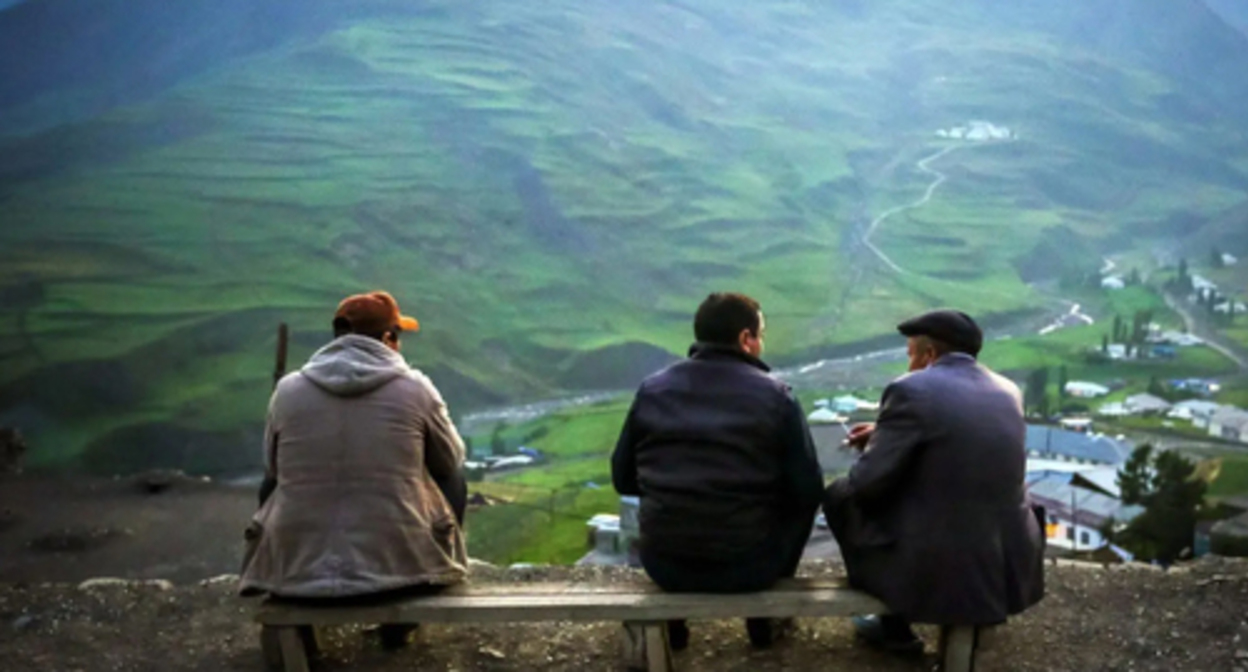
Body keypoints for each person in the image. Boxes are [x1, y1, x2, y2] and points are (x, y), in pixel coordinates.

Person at [240, 291, 469, 647]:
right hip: (401, 577)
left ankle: (291, 591)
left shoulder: (288, 391)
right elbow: (450, 461)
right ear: (389, 338)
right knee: (452, 476)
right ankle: (420, 588)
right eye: (400, 336)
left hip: (298, 577)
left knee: (273, 482)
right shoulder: (415, 388)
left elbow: (272, 468)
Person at [823, 309, 1045, 654]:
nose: (909, 365)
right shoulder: (1008, 390)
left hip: (945, 558)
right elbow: (959, 449)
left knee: (840, 494)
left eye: (911, 355)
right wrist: (885, 433)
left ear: (928, 355)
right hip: (1010, 557)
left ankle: (892, 619)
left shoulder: (910, 389)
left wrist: (876, 451)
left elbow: (867, 484)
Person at [611, 292, 824, 650]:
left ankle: (673, 630)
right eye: (761, 335)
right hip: (752, 568)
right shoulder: (777, 397)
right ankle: (764, 621)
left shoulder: (652, 390)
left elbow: (623, 479)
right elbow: (808, 489)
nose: (761, 344)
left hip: (665, 565)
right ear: (745, 339)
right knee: (799, 504)